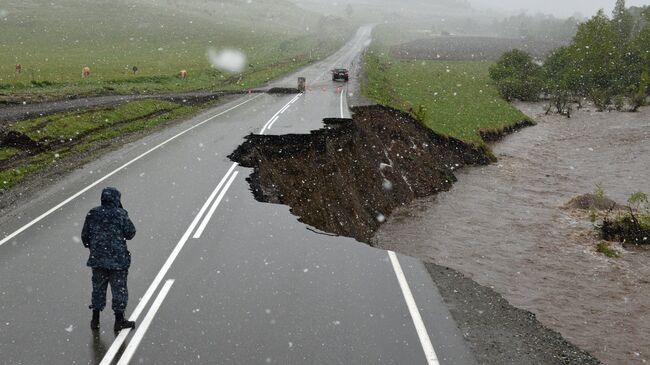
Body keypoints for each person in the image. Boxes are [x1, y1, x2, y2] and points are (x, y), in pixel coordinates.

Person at [82, 187, 137, 332]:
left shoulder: (92, 213)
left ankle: (95, 320)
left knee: (98, 289)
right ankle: (119, 320)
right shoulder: (120, 214)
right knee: (119, 290)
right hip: (118, 261)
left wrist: (94, 248)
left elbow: (84, 237)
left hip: (98, 260)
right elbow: (131, 233)